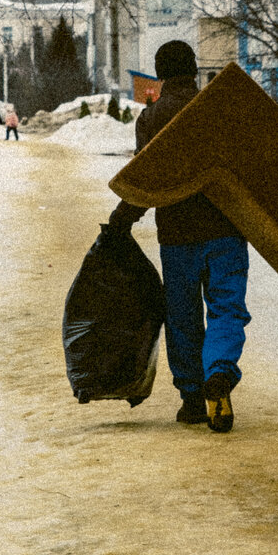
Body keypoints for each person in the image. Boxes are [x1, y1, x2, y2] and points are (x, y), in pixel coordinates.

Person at [109, 40, 250, 434]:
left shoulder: (151, 119)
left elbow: (146, 180)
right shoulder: (219, 112)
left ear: (161, 73)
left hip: (178, 237)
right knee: (227, 308)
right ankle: (219, 372)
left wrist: (121, 219)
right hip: (226, 230)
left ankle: (192, 398)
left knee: (183, 316)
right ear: (193, 69)